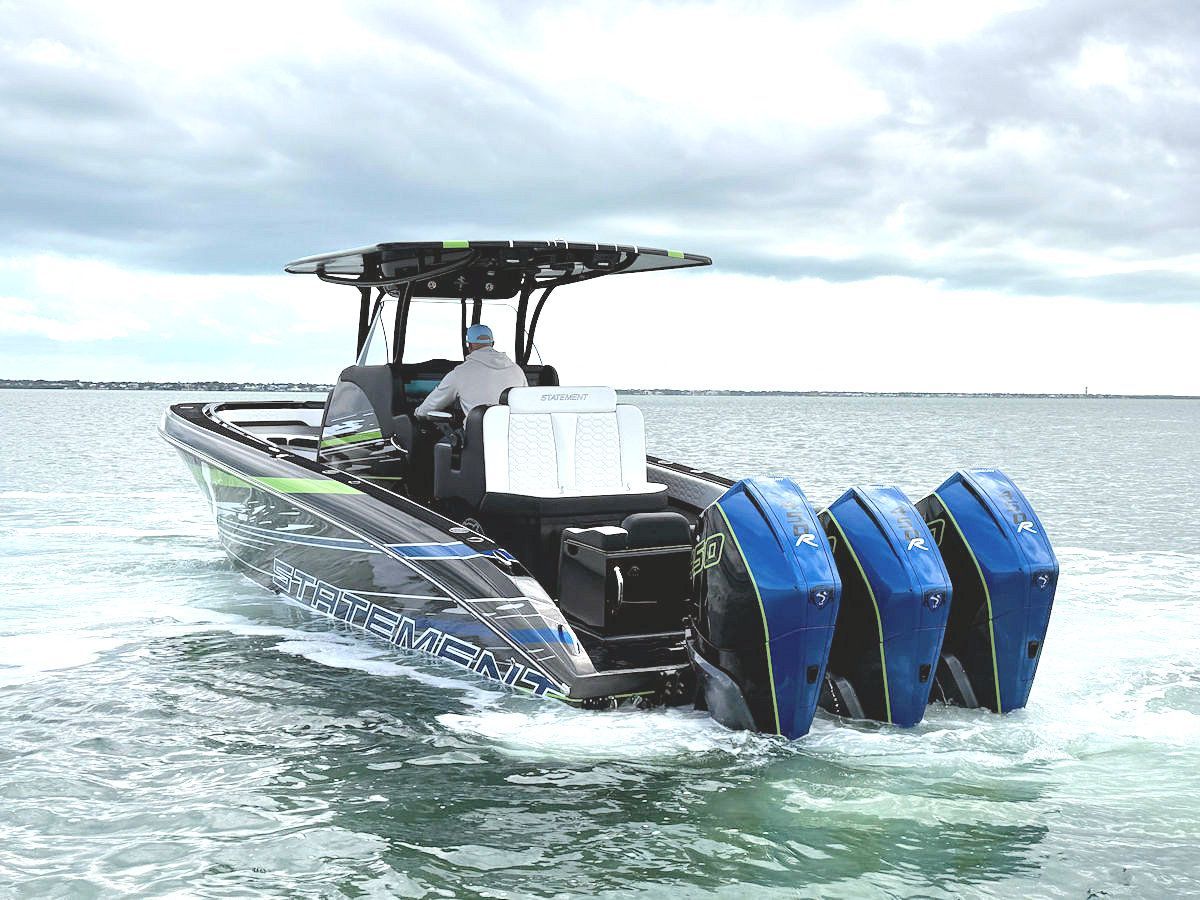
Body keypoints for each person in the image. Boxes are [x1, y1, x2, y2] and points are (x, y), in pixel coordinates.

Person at [414, 324, 528, 418]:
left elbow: (430, 407)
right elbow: (527, 404)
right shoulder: (517, 370)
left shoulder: (460, 373)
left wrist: (418, 414)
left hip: (477, 438)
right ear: (492, 344)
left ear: (469, 346)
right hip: (512, 437)